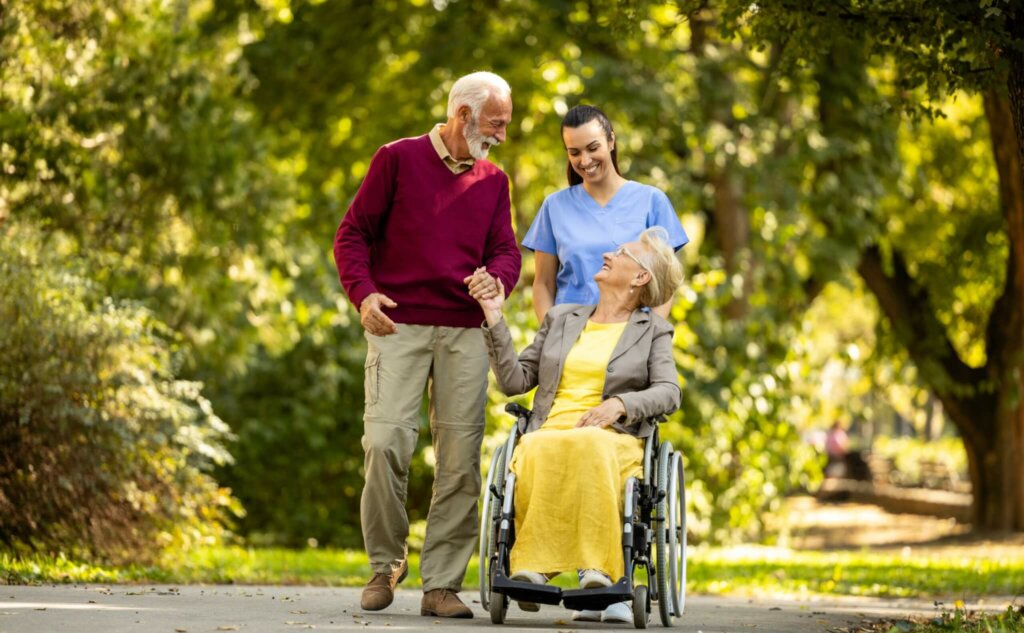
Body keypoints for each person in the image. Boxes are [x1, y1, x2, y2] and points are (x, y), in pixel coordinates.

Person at [334, 71, 521, 619]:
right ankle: (385, 563)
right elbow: (352, 235)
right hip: (399, 325)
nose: (503, 135)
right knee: (385, 442)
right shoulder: (396, 159)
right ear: (462, 115)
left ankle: (441, 584)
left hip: (465, 332)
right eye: (496, 123)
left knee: (460, 460)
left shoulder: (494, 181)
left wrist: (498, 281)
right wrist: (363, 295)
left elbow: (505, 251)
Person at [467, 226, 683, 624]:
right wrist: (494, 315)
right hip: (551, 429)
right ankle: (532, 564)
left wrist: (619, 404)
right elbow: (515, 382)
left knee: (589, 444)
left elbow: (669, 391)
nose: (608, 254)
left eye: (621, 252)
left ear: (640, 277)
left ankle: (598, 569)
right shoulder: (562, 318)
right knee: (533, 446)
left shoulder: (653, 330)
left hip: (613, 438)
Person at [523, 105, 689, 322]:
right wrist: (551, 333)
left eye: (593, 148)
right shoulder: (554, 206)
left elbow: (665, 285)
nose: (584, 160)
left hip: (631, 340)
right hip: (570, 338)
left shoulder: (651, 201)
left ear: (611, 141)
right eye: (574, 152)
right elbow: (543, 283)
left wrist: (649, 337)